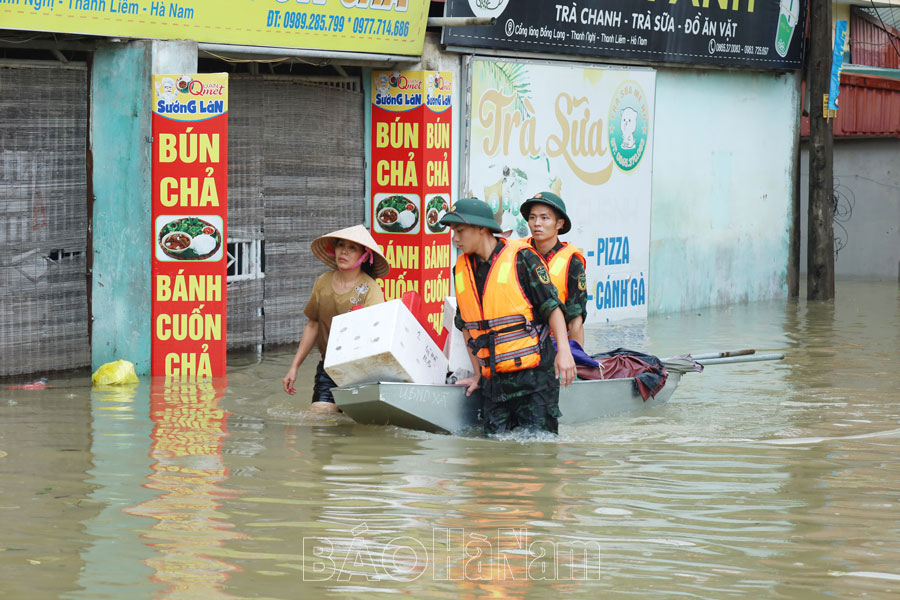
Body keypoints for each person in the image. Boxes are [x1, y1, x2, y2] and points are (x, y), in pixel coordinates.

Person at [439, 197, 577, 434]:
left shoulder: (522, 258)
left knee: (539, 448)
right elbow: (466, 326)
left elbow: (552, 308)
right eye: (453, 232)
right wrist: (478, 375)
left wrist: (564, 352)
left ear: (481, 229)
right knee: (494, 452)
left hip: (534, 380)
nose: (455, 238)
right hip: (494, 385)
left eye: (460, 231)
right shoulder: (461, 269)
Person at [282, 225, 390, 412]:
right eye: (341, 245)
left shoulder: (371, 290)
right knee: (319, 415)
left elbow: (376, 335)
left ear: (365, 256)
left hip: (361, 370)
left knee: (352, 422)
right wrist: (294, 367)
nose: (344, 252)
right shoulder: (322, 282)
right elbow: (313, 325)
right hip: (329, 366)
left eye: (352, 248)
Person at [520, 191, 588, 347]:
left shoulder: (572, 262)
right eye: (532, 217)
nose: (537, 223)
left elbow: (575, 321)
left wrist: (576, 358)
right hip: (521, 345)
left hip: (554, 346)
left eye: (544, 218)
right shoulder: (517, 252)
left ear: (559, 224)